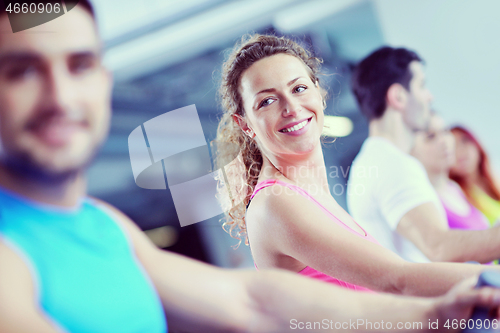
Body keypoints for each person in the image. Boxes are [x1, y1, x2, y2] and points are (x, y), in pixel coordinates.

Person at [3, 2, 499, 333]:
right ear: (244, 122)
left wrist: (436, 312)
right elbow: (396, 278)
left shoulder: (103, 227)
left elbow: (256, 301)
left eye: (80, 65)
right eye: (21, 70)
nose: (60, 96)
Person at [214, 33, 500, 299]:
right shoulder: (276, 203)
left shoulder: (312, 195)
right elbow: (399, 278)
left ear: (319, 92)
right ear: (245, 125)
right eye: (267, 101)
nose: (290, 107)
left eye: (299, 88)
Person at [347, 46, 500, 264]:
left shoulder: (374, 161)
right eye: (421, 85)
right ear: (398, 96)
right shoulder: (392, 163)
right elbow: (438, 247)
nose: (430, 97)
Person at [411, 114, 489, 232]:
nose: (444, 141)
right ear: (412, 151)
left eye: (445, 131)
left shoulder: (455, 188)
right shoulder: (421, 197)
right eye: (431, 137)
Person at [450, 126, 500, 226]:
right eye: (452, 147)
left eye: (464, 141)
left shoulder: (495, 182)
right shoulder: (454, 195)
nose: (459, 151)